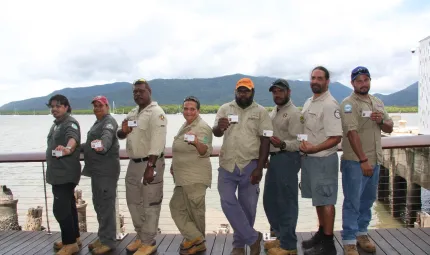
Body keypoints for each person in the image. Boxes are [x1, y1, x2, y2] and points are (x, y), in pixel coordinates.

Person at [212, 77, 272, 255]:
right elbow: (215, 132)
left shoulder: (261, 112)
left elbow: (265, 140)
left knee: (248, 207)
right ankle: (253, 238)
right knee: (227, 201)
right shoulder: (225, 108)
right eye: (240, 90)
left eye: (246, 90)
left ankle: (238, 245)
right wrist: (219, 127)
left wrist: (259, 168)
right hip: (227, 165)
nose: (243, 93)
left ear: (252, 92)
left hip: (250, 165)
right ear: (235, 92)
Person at [339, 66, 393, 255]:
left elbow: (389, 128)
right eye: (359, 81)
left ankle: (362, 233)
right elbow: (351, 133)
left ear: (370, 81)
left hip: (376, 161)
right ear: (352, 83)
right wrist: (363, 160)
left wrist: (380, 121)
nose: (363, 84)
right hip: (356, 162)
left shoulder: (377, 102)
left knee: (367, 201)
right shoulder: (348, 104)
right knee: (352, 202)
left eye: (366, 80)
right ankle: (349, 240)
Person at [117, 78, 167, 255]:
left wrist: (151, 166)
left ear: (149, 92)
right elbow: (120, 133)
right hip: (133, 163)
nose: (137, 94)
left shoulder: (156, 113)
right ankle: (140, 236)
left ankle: (149, 241)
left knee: (150, 204)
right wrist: (123, 131)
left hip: (150, 163)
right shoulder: (132, 113)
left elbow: (158, 141)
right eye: (135, 92)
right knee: (133, 202)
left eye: (141, 91)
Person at [299, 66, 342, 255]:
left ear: (327, 81)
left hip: (324, 160)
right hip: (309, 160)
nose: (315, 81)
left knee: (326, 201)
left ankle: (328, 244)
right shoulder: (310, 101)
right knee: (318, 199)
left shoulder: (330, 104)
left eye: (319, 78)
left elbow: (336, 138)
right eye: (313, 77)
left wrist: (314, 148)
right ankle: (321, 234)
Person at [263, 79, 303, 255]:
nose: (277, 94)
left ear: (289, 92)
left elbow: (301, 141)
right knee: (270, 201)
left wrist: (283, 144)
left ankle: (289, 246)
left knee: (286, 202)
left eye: (280, 91)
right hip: (275, 159)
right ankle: (280, 236)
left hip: (288, 158)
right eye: (274, 92)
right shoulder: (274, 112)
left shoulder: (294, 113)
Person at [169, 96, 213, 255]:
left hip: (195, 178)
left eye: (192, 109)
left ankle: (199, 243)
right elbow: (180, 148)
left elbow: (205, 150)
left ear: (198, 111)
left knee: (196, 213)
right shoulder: (186, 125)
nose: (188, 111)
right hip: (182, 178)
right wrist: (174, 165)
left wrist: (196, 142)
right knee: (176, 207)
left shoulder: (202, 127)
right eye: (186, 108)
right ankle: (196, 237)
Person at [81, 95, 120, 254]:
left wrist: (102, 146)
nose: (97, 108)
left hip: (106, 172)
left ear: (107, 107)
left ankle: (109, 241)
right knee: (99, 205)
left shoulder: (109, 122)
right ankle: (103, 236)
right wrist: (74, 147)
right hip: (97, 172)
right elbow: (91, 144)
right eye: (95, 106)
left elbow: (106, 138)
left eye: (100, 105)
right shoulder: (98, 122)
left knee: (106, 206)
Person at [45, 94, 82, 255]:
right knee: (69, 206)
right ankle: (74, 237)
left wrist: (68, 148)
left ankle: (70, 243)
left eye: (58, 106)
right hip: (58, 173)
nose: (54, 109)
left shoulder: (70, 123)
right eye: (52, 106)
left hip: (65, 174)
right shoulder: (56, 124)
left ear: (66, 107)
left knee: (60, 209)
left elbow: (72, 138)